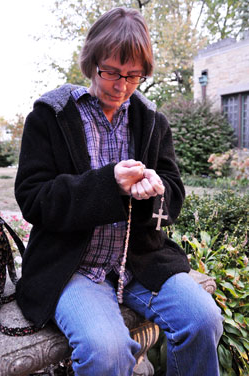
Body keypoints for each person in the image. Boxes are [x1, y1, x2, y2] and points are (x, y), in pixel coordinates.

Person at [15, 7, 223, 376]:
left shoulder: (151, 120)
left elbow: (173, 192)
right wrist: (107, 184)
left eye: (133, 76)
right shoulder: (51, 116)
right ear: (91, 61)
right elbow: (33, 198)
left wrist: (156, 193)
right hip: (71, 266)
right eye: (111, 71)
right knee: (106, 351)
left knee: (203, 319)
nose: (121, 85)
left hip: (140, 261)